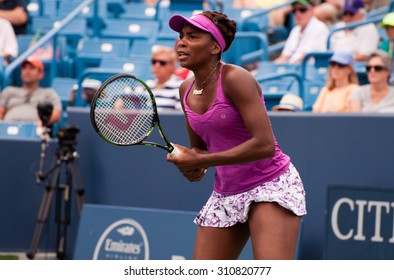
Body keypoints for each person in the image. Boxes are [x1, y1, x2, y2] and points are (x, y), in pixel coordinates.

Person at [167, 10, 306, 260]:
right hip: (226, 191)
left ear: (214, 47)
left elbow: (264, 145)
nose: (182, 42)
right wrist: (192, 165)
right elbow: (200, 148)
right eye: (181, 36)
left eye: (192, 36)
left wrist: (202, 161)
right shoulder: (185, 89)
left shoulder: (235, 78)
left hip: (270, 183)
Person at [0, 57, 62, 128]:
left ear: (41, 74)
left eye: (32, 68)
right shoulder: (9, 91)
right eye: (24, 68)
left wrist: (43, 123)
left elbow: (57, 113)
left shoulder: (48, 93)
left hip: (36, 131)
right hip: (8, 130)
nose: (27, 71)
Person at [275, 0, 329, 64]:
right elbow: (284, 57)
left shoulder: (320, 28)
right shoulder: (295, 30)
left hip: (308, 70)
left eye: (302, 10)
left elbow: (305, 57)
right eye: (294, 10)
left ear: (312, 10)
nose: (297, 14)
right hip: (293, 69)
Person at [146, 46, 183, 112]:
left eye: (162, 63)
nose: (157, 65)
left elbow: (181, 115)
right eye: (154, 62)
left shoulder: (181, 86)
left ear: (172, 66)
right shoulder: (147, 85)